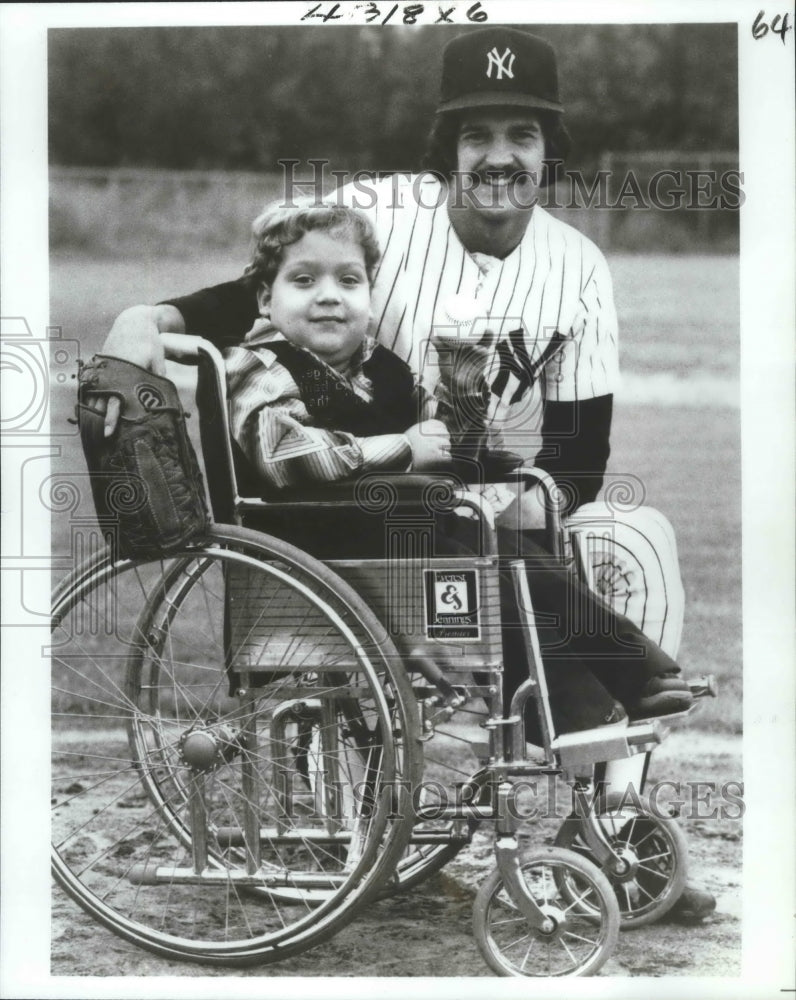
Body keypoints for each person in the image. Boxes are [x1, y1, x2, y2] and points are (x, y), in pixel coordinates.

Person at [99, 27, 714, 920]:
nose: (499, 157)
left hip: (458, 494)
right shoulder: (372, 216)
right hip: (360, 515)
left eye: (524, 135)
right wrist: (142, 313)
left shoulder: (578, 267)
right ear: (446, 149)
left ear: (549, 151)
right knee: (452, 532)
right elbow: (256, 295)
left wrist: (516, 494)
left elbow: (583, 455)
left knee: (630, 535)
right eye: (477, 136)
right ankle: (338, 803)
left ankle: (609, 822)